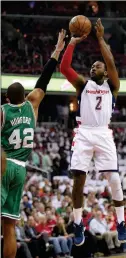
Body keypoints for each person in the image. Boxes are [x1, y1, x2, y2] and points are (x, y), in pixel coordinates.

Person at [60, 18, 126, 246]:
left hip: (103, 134)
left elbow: (111, 63)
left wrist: (100, 39)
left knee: (115, 180)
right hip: (84, 133)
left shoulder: (113, 86)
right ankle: (78, 223)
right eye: (92, 66)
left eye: (97, 66)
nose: (93, 67)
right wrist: (72, 43)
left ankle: (121, 223)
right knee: (78, 179)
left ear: (105, 73)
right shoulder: (83, 85)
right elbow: (64, 68)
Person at [1, 29, 66, 258]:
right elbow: (44, 79)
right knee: (8, 226)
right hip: (20, 169)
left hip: (3, 164)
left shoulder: (3, 111)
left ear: (7, 99)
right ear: (25, 96)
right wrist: (58, 49)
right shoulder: (33, 105)